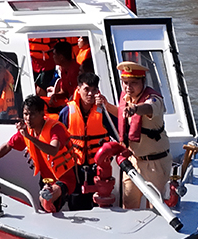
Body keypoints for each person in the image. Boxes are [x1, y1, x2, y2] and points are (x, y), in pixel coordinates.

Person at [0, 95, 77, 214]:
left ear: (41, 113)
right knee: (46, 205)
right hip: (45, 180)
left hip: (64, 179)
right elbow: (7, 146)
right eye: (25, 114)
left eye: (32, 114)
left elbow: (53, 150)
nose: (28, 118)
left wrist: (29, 137)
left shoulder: (55, 128)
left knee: (45, 198)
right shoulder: (27, 130)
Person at [106, 60, 171, 209]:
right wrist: (106, 105)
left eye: (133, 83)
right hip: (133, 160)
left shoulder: (154, 100)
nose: (128, 87)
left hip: (155, 163)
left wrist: (135, 109)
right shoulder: (126, 97)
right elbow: (123, 114)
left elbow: (147, 108)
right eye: (125, 82)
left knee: (156, 206)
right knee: (128, 203)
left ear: (143, 82)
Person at [58, 71, 119, 207]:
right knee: (76, 204)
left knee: (99, 204)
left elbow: (119, 134)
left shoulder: (103, 112)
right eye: (86, 89)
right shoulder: (67, 112)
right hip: (75, 168)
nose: (90, 94)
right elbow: (57, 136)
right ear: (78, 90)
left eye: (94, 90)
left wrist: (106, 106)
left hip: (98, 169)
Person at [46, 40, 80, 105]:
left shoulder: (75, 71)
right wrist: (55, 96)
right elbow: (65, 91)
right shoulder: (64, 70)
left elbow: (78, 94)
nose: (53, 57)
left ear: (61, 57)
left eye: (54, 54)